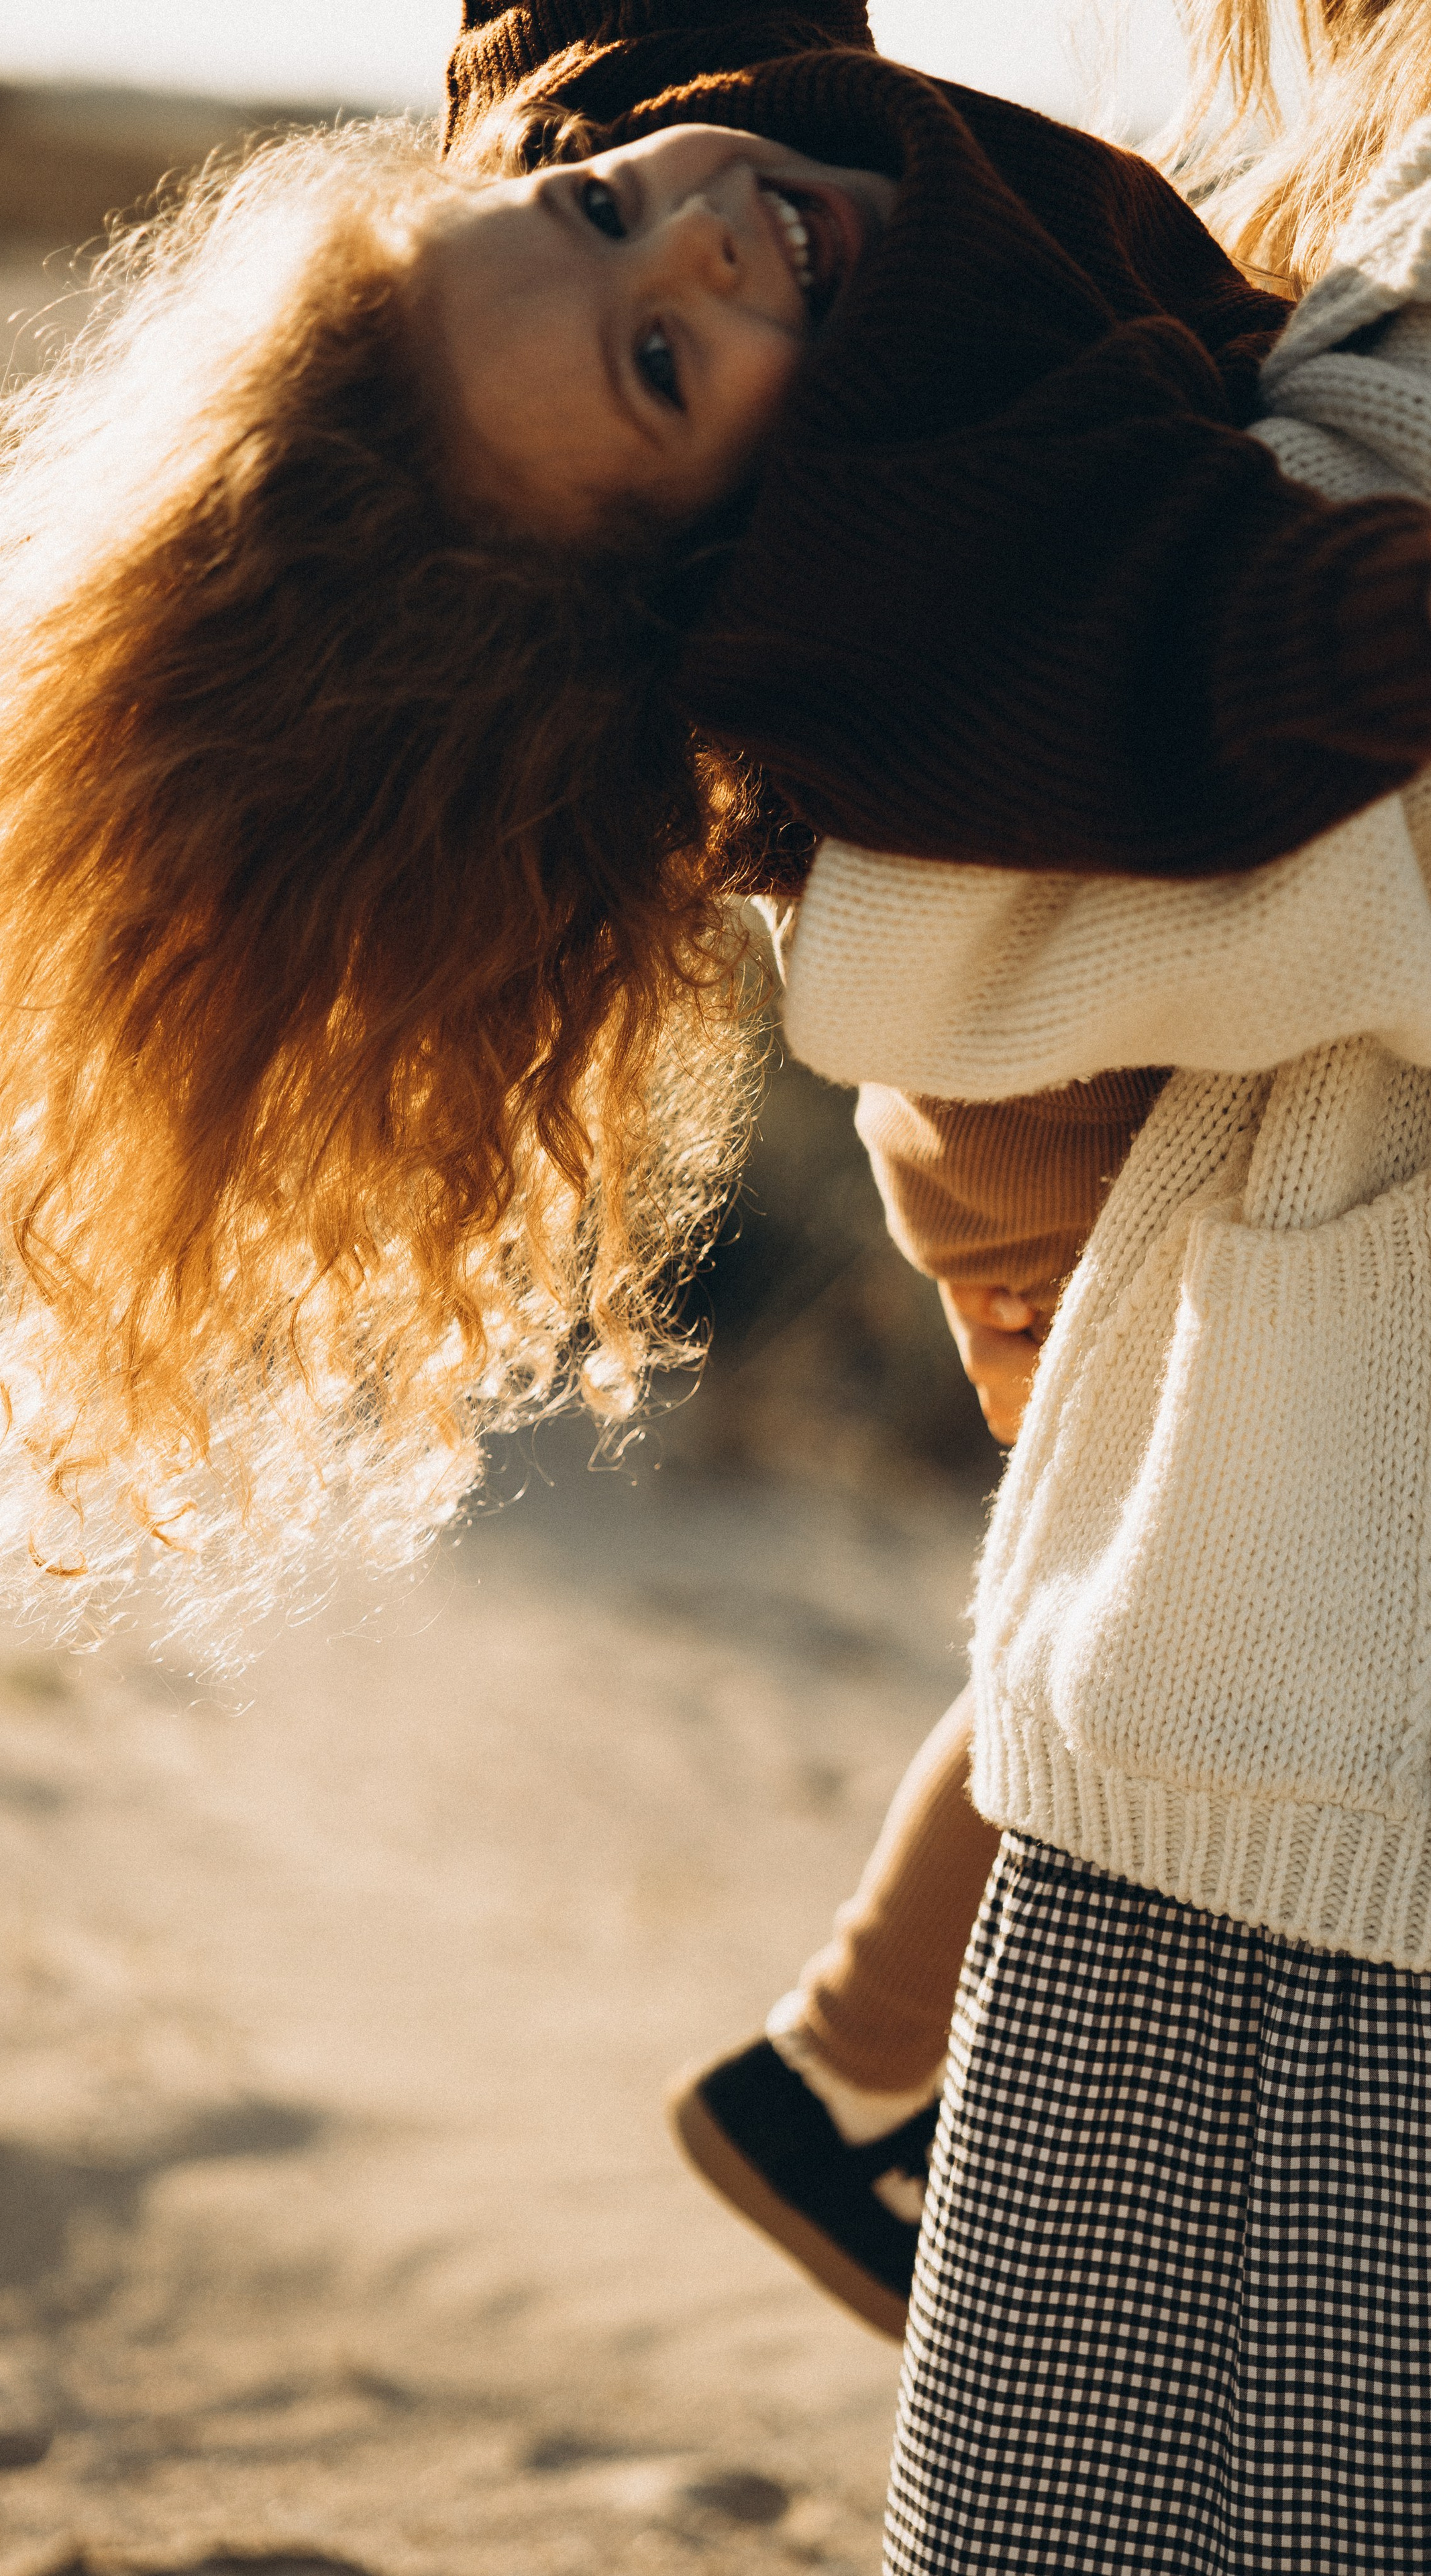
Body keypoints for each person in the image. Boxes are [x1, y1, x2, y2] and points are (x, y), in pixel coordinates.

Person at [0, 1, 1426, 1673]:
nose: (702, 235)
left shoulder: (656, 145)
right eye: (661, 364)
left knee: (1082, 1658)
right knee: (1136, 1654)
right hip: (1044, 1139)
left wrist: (596, 218)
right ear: (688, 578)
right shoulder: (943, 608)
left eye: (595, 207)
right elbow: (1290, 646)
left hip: (1030, 1032)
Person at [671, 0, 1431, 2365]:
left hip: (1053, 1132)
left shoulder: (1250, 265)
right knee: (1104, 1616)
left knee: (1090, 1603)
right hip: (1067, 1146)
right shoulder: (1201, 318)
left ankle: (830, 2067)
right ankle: (821, 2075)